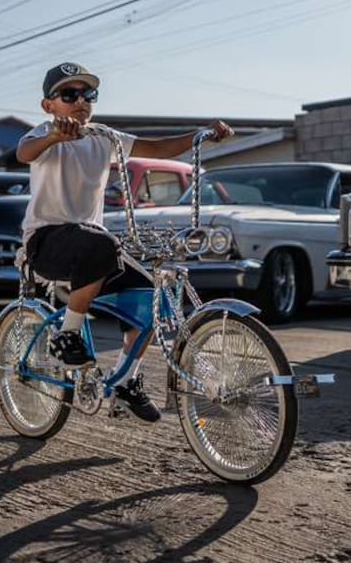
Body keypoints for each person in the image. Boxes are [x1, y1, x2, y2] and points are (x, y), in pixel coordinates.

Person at [17, 62, 233, 423]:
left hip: (89, 244)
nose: (81, 101)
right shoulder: (43, 134)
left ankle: (126, 383)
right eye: (69, 94)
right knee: (101, 243)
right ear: (48, 105)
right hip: (46, 240)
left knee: (151, 299)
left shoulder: (104, 137)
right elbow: (25, 152)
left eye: (89, 94)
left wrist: (202, 134)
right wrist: (56, 135)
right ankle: (66, 335)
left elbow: (159, 148)